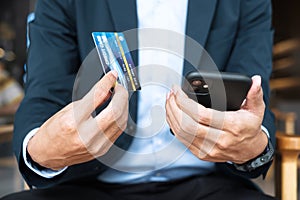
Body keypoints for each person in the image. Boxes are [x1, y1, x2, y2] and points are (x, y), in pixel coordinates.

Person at [2, 0, 276, 199]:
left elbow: (254, 95)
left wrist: (253, 144)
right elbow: (43, 94)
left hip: (210, 182)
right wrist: (39, 152)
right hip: (89, 182)